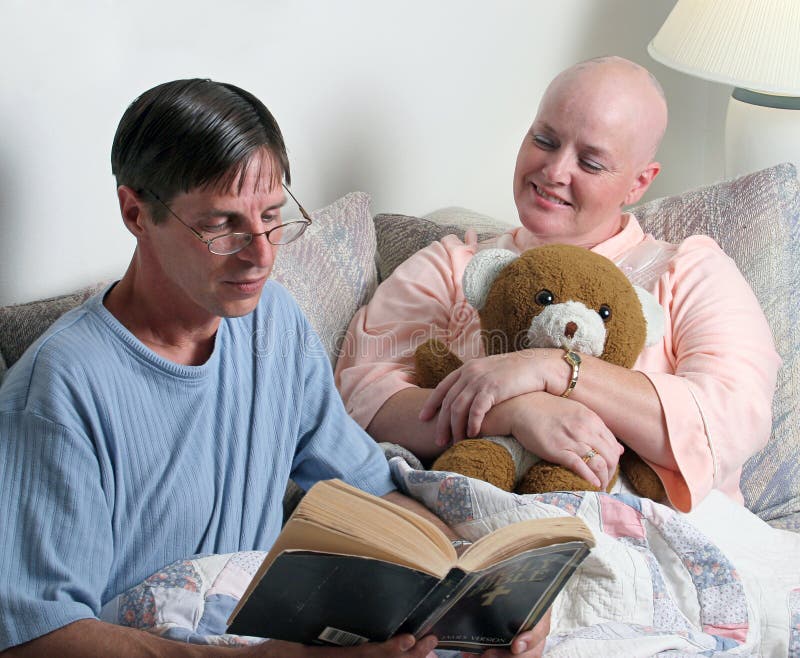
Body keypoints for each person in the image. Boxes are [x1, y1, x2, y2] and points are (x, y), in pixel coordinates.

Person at [0, 79, 547, 658]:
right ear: (136, 213)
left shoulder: (273, 322)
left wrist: (473, 598)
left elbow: (369, 489)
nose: (261, 254)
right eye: (222, 225)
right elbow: (33, 634)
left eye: (271, 217)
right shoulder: (59, 390)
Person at [335, 56, 780, 514]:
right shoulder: (451, 267)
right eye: (544, 140)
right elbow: (363, 402)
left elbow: (730, 422)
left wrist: (555, 368)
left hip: (643, 539)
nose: (554, 171)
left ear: (639, 182)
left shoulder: (690, 272)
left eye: (590, 162)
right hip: (474, 529)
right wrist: (514, 412)